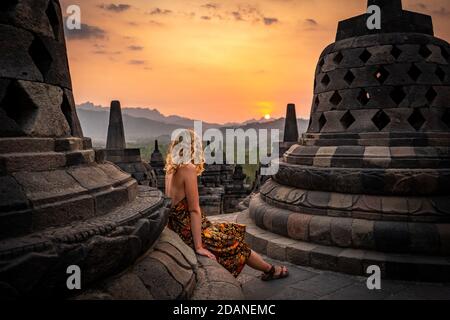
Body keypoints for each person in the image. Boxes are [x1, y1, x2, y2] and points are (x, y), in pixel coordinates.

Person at [165, 129, 289, 281]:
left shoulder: (170, 170)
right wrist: (198, 247)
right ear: (193, 147)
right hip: (188, 229)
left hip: (178, 226)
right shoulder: (187, 168)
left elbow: (170, 207)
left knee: (231, 230)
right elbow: (194, 210)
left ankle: (265, 268)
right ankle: (271, 270)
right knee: (236, 245)